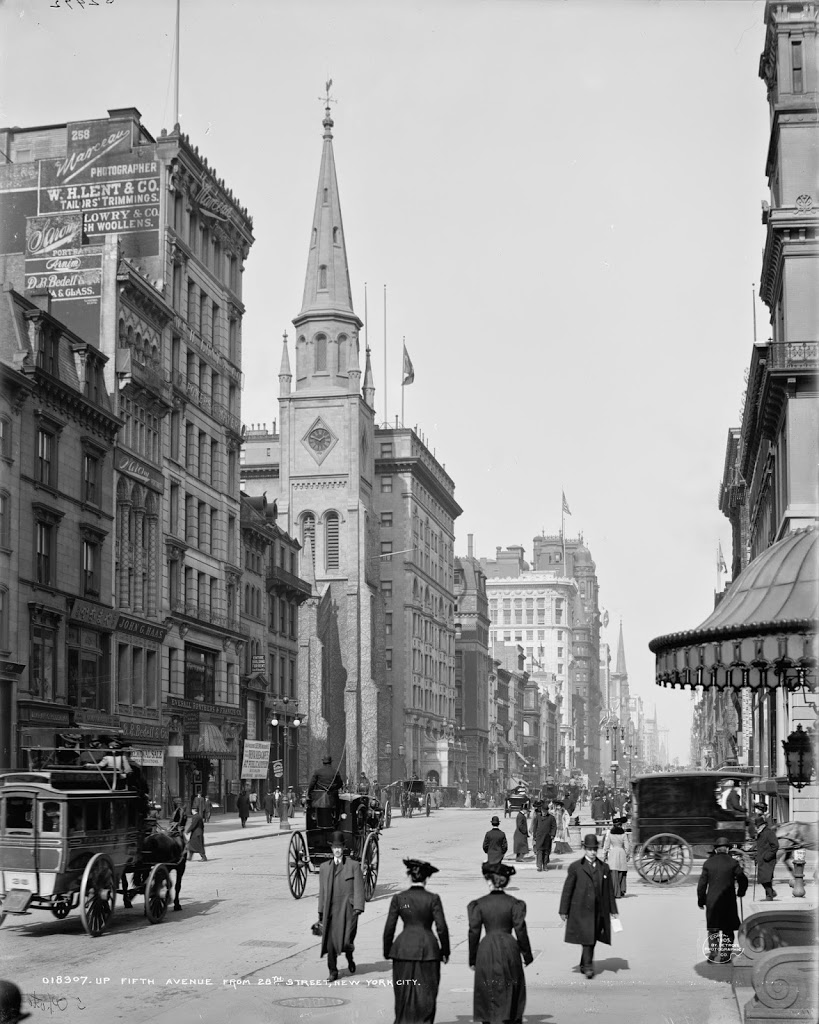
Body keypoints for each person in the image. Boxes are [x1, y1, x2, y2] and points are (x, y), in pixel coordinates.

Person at [383, 859, 450, 1023]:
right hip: (428, 950)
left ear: (410, 877)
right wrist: (445, 951)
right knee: (427, 994)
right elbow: (441, 927)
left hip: (402, 950)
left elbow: (389, 927)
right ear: (426, 879)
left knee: (403, 994)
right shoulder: (433, 899)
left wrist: (387, 950)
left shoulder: (399, 898)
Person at [468, 862, 533, 1024]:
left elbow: (474, 932)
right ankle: (509, 1017)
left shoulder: (479, 904)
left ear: (489, 881)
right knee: (510, 985)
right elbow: (521, 930)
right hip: (509, 946)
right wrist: (527, 955)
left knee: (487, 987)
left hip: (487, 947)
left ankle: (489, 1019)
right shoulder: (514, 903)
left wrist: (472, 957)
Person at [559, 833, 619, 979]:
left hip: (598, 910)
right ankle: (588, 967)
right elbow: (568, 890)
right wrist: (563, 910)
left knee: (591, 939)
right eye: (590, 849)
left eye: (594, 849)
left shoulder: (604, 867)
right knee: (588, 938)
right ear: (585, 849)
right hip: (580, 909)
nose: (593, 852)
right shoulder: (575, 867)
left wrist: (613, 910)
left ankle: (583, 962)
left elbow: (609, 890)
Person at [317, 831, 365, 982]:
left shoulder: (354, 865)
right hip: (331, 910)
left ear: (344, 848)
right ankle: (333, 971)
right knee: (331, 943)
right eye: (335, 847)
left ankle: (349, 957)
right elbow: (322, 891)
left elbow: (359, 887)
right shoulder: (325, 868)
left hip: (348, 911)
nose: (337, 850)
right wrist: (320, 911)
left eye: (340, 847)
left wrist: (358, 907)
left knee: (346, 942)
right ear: (331, 849)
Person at [697, 835, 748, 962]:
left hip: (712, 901)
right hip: (728, 900)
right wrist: (741, 892)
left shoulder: (708, 863)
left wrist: (701, 900)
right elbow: (743, 879)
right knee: (727, 928)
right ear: (727, 849)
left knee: (713, 928)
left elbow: (702, 885)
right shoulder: (733, 863)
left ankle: (713, 954)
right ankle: (725, 955)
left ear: (716, 849)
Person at [308, 755, 344, 828]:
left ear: (323, 762)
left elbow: (312, 784)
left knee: (313, 806)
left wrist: (309, 793)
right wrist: (334, 788)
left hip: (319, 798)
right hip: (332, 797)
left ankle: (315, 820)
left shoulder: (317, 772)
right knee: (338, 804)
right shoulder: (335, 771)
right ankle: (336, 819)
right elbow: (340, 784)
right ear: (330, 762)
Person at [602, 817, 631, 898]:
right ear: (621, 825)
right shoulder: (624, 835)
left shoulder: (610, 834)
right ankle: (622, 890)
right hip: (621, 853)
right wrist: (628, 855)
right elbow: (627, 847)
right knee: (621, 872)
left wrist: (604, 855)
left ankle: (615, 892)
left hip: (613, 853)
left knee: (614, 873)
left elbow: (606, 846)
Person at [755, 813, 780, 900]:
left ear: (762, 825)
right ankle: (770, 893)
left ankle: (770, 895)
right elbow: (760, 847)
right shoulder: (760, 834)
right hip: (762, 859)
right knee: (764, 878)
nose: (756, 828)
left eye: (758, 826)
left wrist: (767, 856)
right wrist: (757, 857)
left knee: (765, 878)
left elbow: (775, 846)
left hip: (768, 859)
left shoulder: (769, 832)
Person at [532, 802, 556, 871]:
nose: (544, 813)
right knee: (539, 851)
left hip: (547, 838)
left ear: (547, 811)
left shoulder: (551, 818)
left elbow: (554, 827)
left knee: (546, 852)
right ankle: (539, 866)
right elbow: (535, 827)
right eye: (543, 811)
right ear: (541, 811)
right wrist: (534, 836)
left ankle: (545, 865)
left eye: (545, 811)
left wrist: (552, 834)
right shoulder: (538, 817)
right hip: (539, 837)